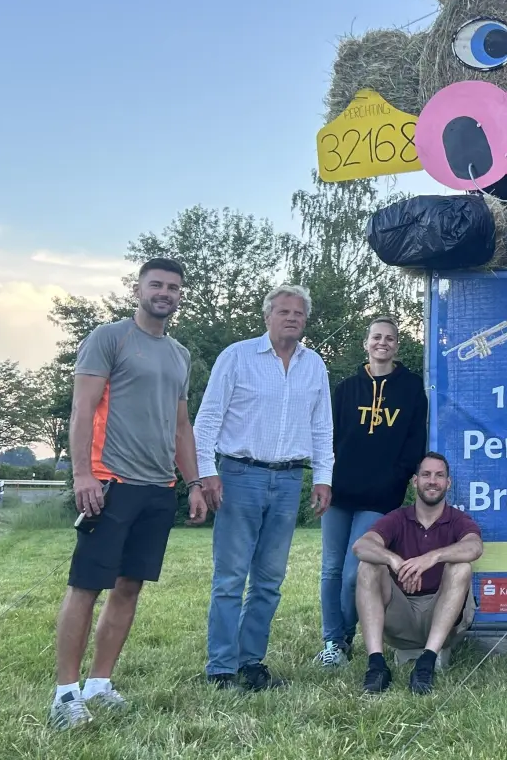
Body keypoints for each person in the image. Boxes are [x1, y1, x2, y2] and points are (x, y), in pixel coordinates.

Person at [49, 259, 203, 731]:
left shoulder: (179, 354)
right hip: (109, 481)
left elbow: (180, 426)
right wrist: (82, 475)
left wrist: (194, 483)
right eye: (156, 284)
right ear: (138, 289)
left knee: (129, 586)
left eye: (173, 287)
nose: (165, 293)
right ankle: (65, 694)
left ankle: (100, 683)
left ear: (180, 295)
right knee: (86, 586)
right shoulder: (109, 338)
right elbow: (82, 409)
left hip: (158, 488)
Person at [196, 284, 334, 690]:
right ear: (267, 316)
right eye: (284, 311)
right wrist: (207, 471)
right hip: (240, 475)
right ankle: (221, 667)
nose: (292, 318)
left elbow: (322, 427)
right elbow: (207, 419)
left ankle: (251, 662)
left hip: (290, 479)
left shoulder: (315, 365)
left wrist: (322, 477)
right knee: (230, 578)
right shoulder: (237, 357)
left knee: (270, 580)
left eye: (299, 314)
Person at [315, 317, 427, 669]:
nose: (383, 343)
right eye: (376, 337)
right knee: (331, 569)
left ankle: (345, 635)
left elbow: (414, 442)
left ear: (397, 345)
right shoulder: (347, 388)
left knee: (355, 569)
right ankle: (335, 642)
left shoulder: (411, 389)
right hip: (339, 492)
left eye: (390, 338)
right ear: (366, 343)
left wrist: (396, 478)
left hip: (380, 496)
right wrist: (324, 478)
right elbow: (326, 437)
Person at [354, 452, 482, 694]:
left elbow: (474, 547)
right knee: (368, 565)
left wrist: (433, 557)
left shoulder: (458, 520)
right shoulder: (398, 518)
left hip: (442, 619)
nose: (432, 481)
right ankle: (376, 665)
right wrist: (395, 561)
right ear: (415, 481)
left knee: (461, 566)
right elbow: (361, 546)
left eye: (439, 475)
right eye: (426, 475)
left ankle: (427, 662)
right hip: (400, 616)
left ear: (448, 483)